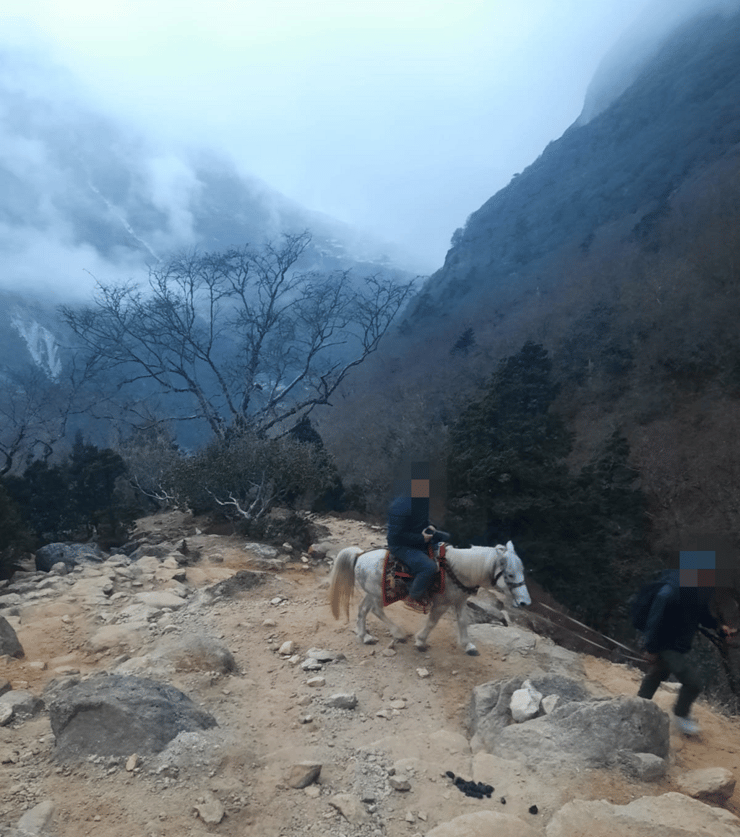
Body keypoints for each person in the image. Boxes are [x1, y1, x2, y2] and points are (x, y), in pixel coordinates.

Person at [637, 567, 735, 734]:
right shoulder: (669, 593)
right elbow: (654, 620)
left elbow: (703, 615)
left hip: (676, 644)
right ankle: (681, 715)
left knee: (658, 673)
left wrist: (720, 629)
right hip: (665, 644)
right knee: (693, 683)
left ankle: (637, 708)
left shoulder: (697, 591)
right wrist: (651, 648)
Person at [387, 473, 449, 602]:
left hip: (416, 540)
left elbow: (421, 522)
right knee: (429, 567)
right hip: (401, 546)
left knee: (447, 540)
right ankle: (413, 597)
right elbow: (397, 535)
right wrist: (422, 539)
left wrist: (430, 526)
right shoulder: (399, 506)